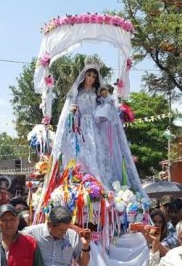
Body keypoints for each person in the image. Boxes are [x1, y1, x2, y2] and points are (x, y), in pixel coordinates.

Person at [52, 64, 143, 192]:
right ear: (84, 76)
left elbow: (104, 105)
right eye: (89, 75)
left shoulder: (98, 93)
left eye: (94, 76)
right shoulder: (76, 93)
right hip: (81, 127)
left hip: (95, 127)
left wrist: (108, 104)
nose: (91, 78)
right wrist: (72, 111)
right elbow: (69, 110)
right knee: (83, 153)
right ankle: (83, 181)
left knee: (98, 152)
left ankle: (100, 183)